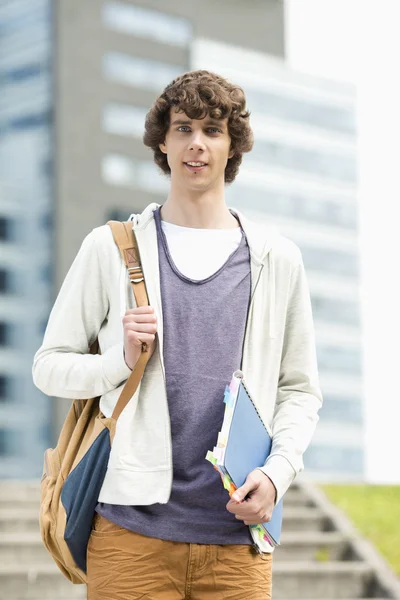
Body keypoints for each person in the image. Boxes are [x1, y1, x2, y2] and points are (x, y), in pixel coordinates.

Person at [32, 70, 322, 599]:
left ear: (232, 145)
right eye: (183, 127)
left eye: (213, 130)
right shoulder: (111, 248)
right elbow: (48, 365)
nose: (196, 143)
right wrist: (119, 360)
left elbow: (299, 390)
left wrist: (278, 474)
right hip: (129, 536)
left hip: (236, 541)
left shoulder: (277, 260)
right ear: (162, 142)